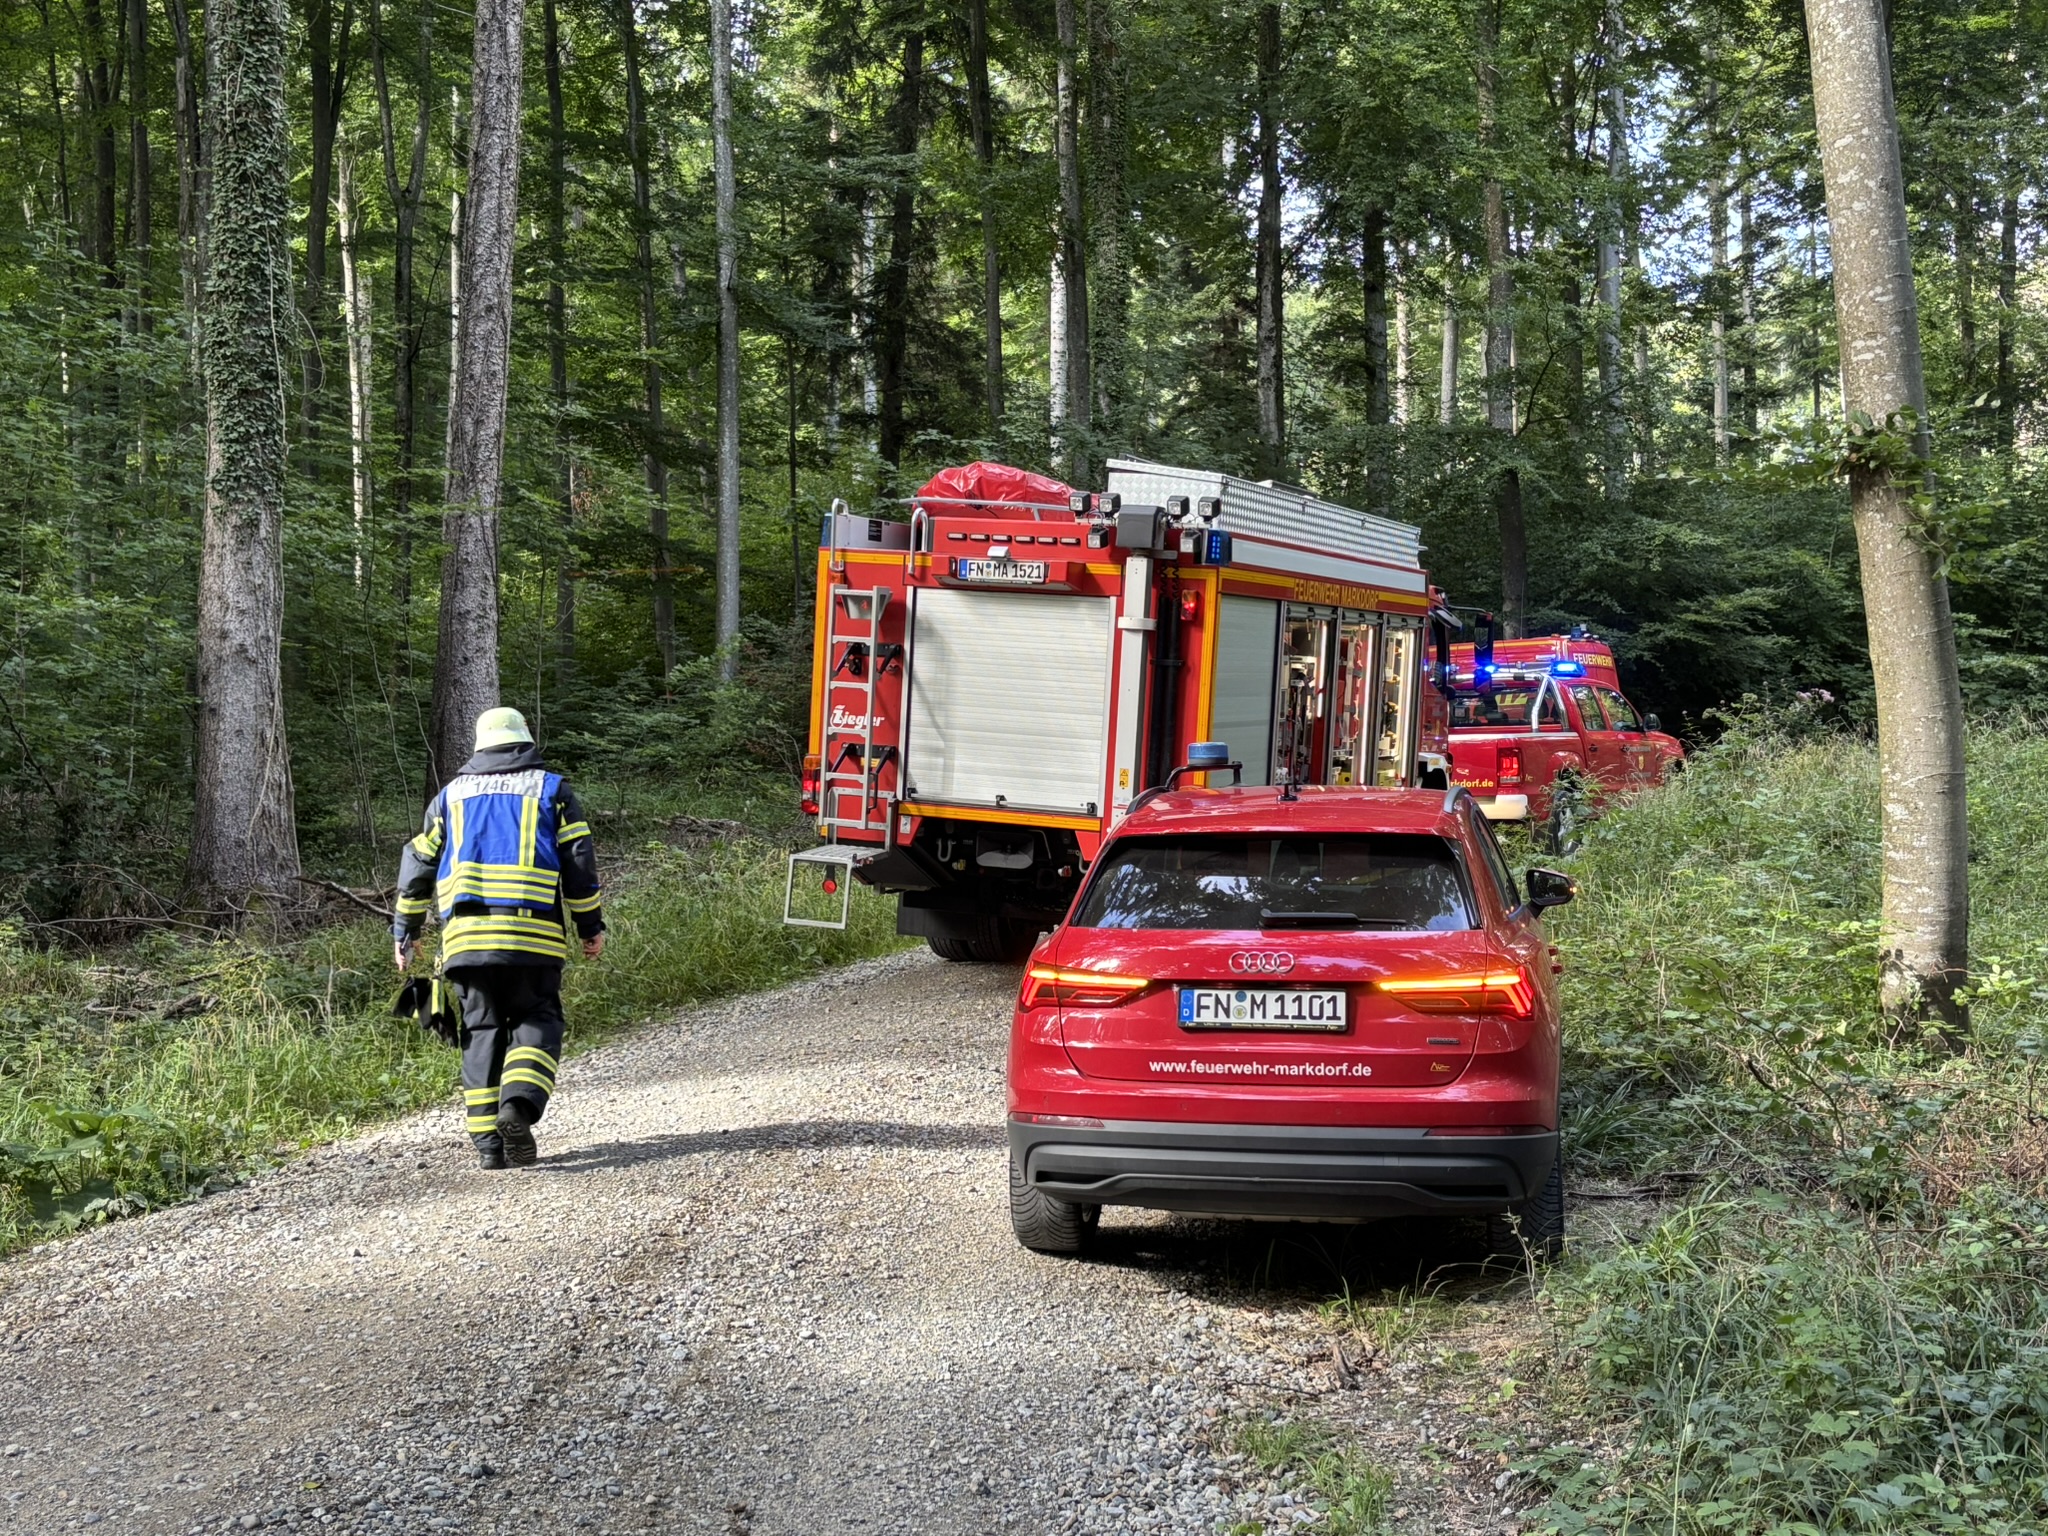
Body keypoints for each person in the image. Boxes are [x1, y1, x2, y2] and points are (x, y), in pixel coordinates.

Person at [392, 707, 606, 1169]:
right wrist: (590, 926)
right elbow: (578, 862)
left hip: (465, 940)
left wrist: (405, 930)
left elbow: (418, 864)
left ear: (479, 746)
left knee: (481, 1030)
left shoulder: (449, 797)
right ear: (526, 740)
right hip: (533, 935)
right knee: (537, 1017)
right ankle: (517, 1107)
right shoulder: (551, 790)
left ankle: (489, 1147)